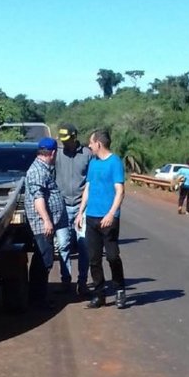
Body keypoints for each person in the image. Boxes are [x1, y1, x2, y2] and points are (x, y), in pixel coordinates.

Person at [75, 129, 127, 309]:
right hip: (91, 217)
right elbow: (87, 188)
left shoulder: (115, 162)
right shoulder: (93, 163)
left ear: (99, 143)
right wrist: (80, 212)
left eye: (91, 143)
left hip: (109, 219)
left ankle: (120, 289)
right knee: (94, 259)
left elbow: (120, 191)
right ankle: (99, 294)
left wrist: (111, 213)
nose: (89, 146)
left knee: (112, 256)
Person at [24, 137, 69, 307]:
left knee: (44, 259)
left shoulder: (44, 168)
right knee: (44, 260)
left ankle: (39, 297)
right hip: (42, 225)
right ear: (53, 153)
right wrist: (47, 221)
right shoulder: (37, 171)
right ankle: (37, 300)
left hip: (47, 223)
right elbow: (38, 199)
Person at [54, 123, 92, 297]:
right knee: (63, 245)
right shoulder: (58, 154)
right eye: (63, 140)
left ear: (75, 137)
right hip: (61, 206)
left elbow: (91, 182)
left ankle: (82, 282)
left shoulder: (87, 155)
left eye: (68, 139)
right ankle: (66, 280)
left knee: (84, 246)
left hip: (81, 207)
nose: (65, 143)